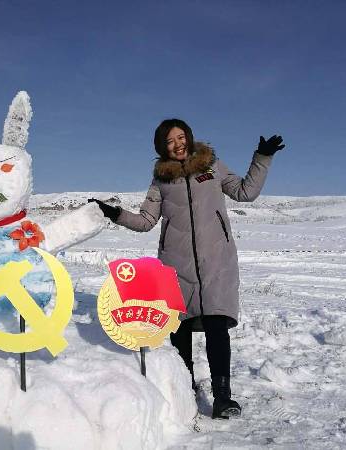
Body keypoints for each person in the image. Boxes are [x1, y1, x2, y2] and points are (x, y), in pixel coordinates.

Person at [89, 119, 284, 419]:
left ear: (189, 138)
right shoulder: (160, 181)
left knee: (217, 325)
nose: (178, 143)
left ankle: (222, 398)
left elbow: (246, 193)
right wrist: (115, 214)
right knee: (179, 331)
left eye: (181, 137)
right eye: (170, 141)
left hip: (216, 260)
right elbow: (145, 221)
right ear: (162, 148)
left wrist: (262, 158)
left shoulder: (212, 166)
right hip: (175, 265)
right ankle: (185, 393)